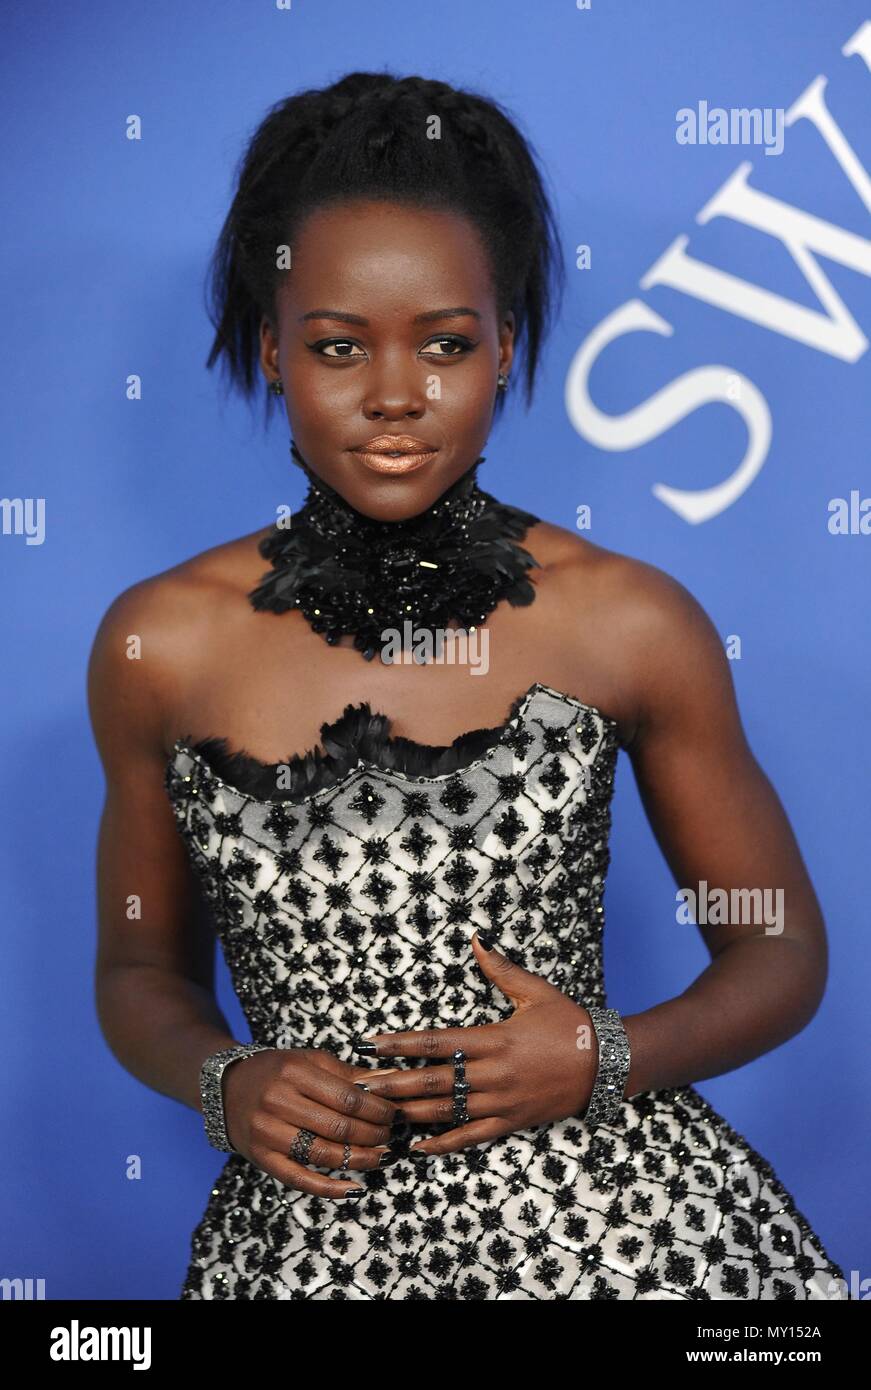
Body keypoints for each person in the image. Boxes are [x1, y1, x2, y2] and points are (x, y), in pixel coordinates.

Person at [87, 71, 850, 1301]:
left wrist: (603, 1055)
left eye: (446, 344)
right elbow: (139, 972)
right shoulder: (159, 645)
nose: (396, 396)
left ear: (505, 347)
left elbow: (778, 947)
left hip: (621, 1237)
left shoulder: (628, 618)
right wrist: (224, 1081)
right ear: (273, 350)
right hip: (306, 1250)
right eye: (339, 347)